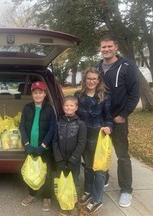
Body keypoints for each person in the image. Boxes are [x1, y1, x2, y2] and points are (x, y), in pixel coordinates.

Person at [96, 34, 140, 207]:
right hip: (100, 119)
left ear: (116, 47)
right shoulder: (97, 67)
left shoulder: (127, 66)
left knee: (122, 156)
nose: (106, 49)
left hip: (118, 119)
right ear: (100, 49)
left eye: (109, 46)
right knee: (101, 152)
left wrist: (123, 114)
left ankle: (126, 190)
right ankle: (104, 178)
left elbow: (134, 93)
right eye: (103, 47)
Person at [75, 67, 113, 214]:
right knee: (88, 167)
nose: (91, 81)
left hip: (99, 136)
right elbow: (76, 115)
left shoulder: (105, 96)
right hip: (84, 135)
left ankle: (97, 199)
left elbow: (109, 117)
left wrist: (109, 127)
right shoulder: (78, 96)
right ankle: (88, 190)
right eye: (88, 78)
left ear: (99, 80)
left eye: (94, 79)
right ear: (85, 80)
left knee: (100, 170)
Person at [19, 81, 56, 212]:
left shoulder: (49, 109)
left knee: (46, 173)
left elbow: (52, 128)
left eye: (40, 92)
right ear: (32, 94)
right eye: (35, 93)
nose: (38, 95)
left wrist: (43, 145)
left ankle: (47, 197)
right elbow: (22, 126)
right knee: (31, 172)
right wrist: (26, 143)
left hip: (44, 148)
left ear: (45, 94)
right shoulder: (27, 108)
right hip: (30, 147)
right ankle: (32, 194)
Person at [52, 96, 87, 216]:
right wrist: (59, 159)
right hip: (61, 160)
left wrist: (73, 159)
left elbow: (81, 143)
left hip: (74, 161)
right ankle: (63, 204)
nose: (69, 107)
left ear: (76, 108)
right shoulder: (58, 123)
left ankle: (72, 204)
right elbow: (55, 141)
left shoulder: (80, 124)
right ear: (63, 107)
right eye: (66, 105)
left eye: (72, 105)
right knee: (61, 182)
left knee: (74, 181)